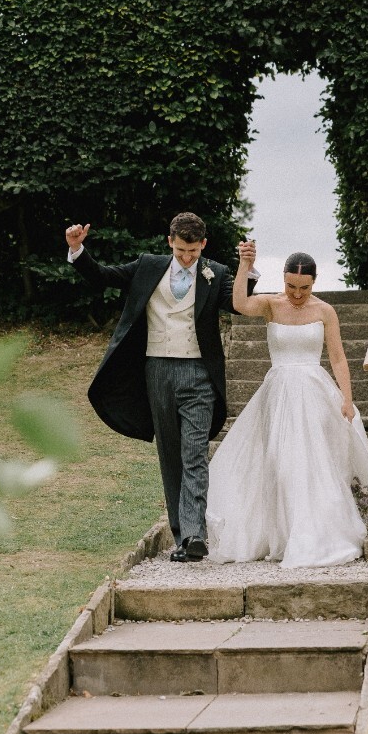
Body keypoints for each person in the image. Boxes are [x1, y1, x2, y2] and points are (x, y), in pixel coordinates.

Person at [65, 213, 258, 564]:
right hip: (156, 371)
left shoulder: (217, 273)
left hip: (199, 374)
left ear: (204, 244)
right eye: (182, 250)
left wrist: (247, 266)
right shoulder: (147, 266)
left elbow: (239, 305)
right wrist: (78, 249)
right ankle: (182, 536)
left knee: (195, 453)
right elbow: (102, 277)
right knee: (170, 455)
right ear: (170, 241)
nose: (187, 258)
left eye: (194, 251)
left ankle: (196, 534)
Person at [206, 248, 368, 568]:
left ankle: (313, 535)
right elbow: (239, 304)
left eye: (304, 287)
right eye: (291, 286)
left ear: (314, 282)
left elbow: (338, 357)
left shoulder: (325, 311)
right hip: (278, 392)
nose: (297, 294)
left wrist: (347, 399)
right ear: (283, 280)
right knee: (280, 464)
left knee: (311, 464)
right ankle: (282, 537)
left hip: (313, 391)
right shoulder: (271, 304)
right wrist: (244, 266)